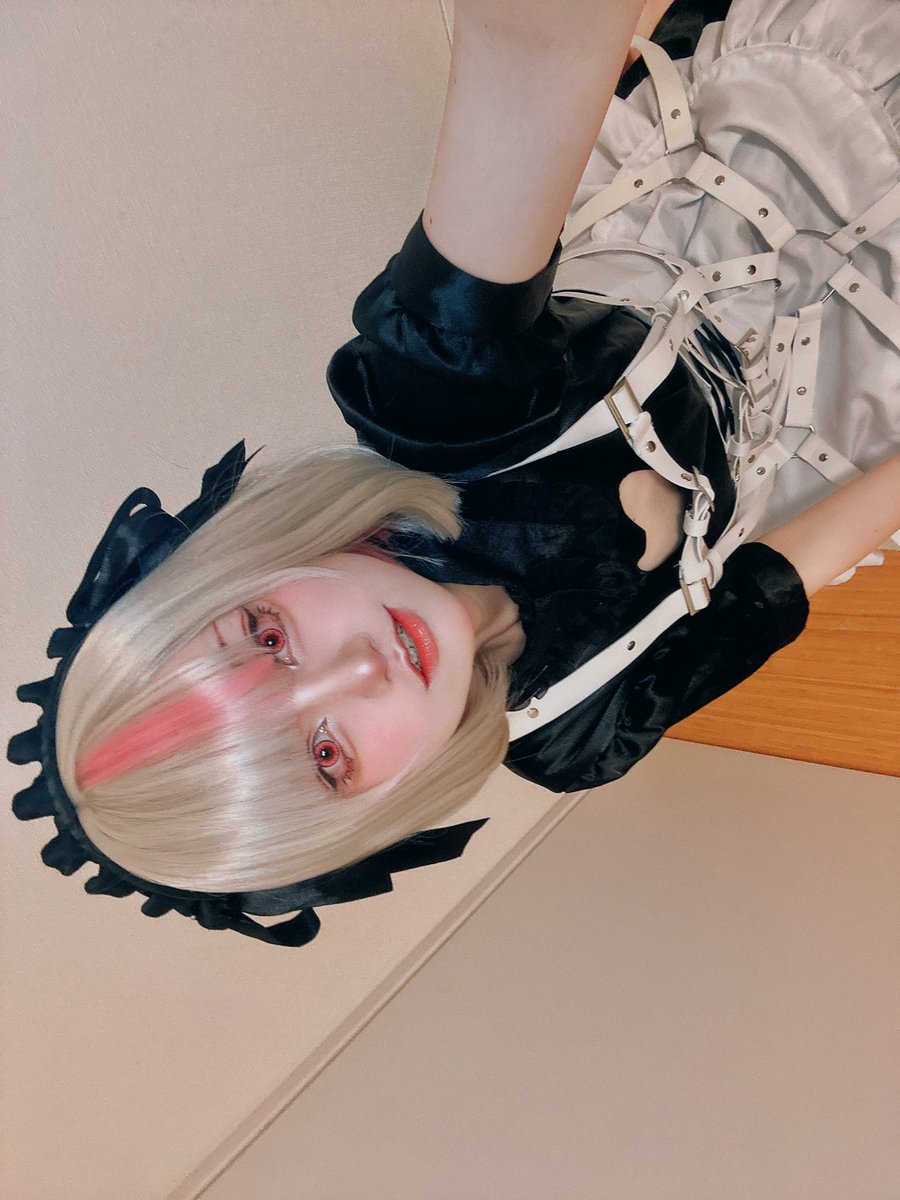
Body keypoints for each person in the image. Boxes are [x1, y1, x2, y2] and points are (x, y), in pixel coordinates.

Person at [9, 0, 900, 944]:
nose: (360, 670)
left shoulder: (431, 405)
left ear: (240, 564)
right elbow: (781, 571)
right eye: (326, 756)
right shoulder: (580, 732)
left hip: (798, 128)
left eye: (265, 637)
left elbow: (530, 55)